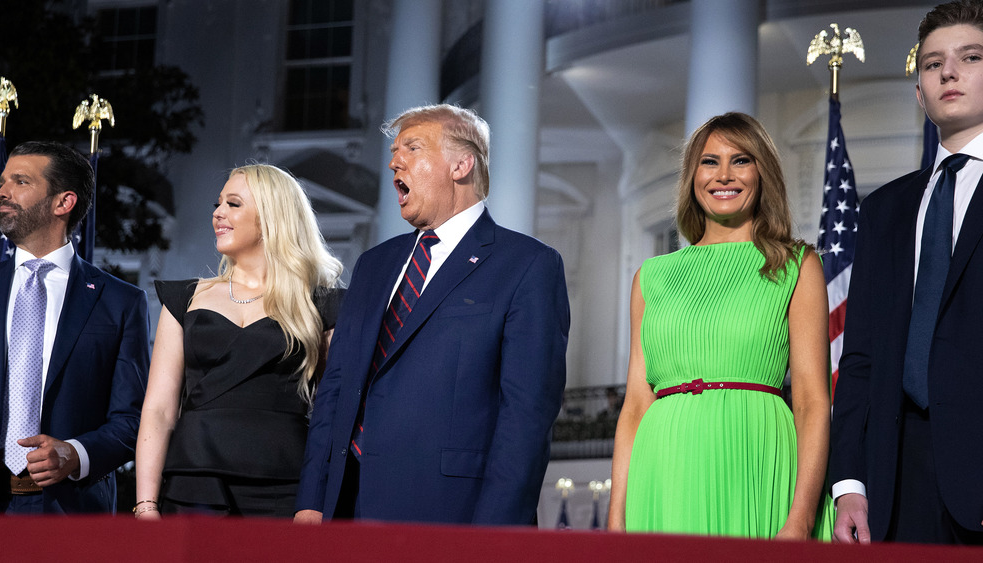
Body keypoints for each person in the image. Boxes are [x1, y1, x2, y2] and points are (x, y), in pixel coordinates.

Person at [293, 104, 569, 525]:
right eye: (393, 151)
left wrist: (495, 533)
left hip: (452, 513)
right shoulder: (373, 265)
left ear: (461, 164)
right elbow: (336, 388)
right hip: (347, 508)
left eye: (412, 147)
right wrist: (312, 498)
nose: (393, 161)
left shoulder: (528, 265)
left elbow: (527, 417)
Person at [607, 113, 832, 539]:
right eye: (709, 162)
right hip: (664, 473)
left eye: (741, 160)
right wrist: (617, 518)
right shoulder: (650, 277)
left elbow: (811, 401)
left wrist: (800, 519)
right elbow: (636, 404)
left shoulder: (796, 266)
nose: (724, 175)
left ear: (762, 172)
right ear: (692, 176)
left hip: (756, 463)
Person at [831, 0, 983, 544]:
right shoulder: (884, 211)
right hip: (896, 485)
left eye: (970, 56)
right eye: (932, 63)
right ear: (920, 92)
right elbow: (862, 358)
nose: (948, 71)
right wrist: (849, 482)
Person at [134, 164, 343, 518]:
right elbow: (159, 410)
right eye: (218, 204)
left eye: (233, 204)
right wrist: (145, 504)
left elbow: (332, 414)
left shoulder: (323, 304)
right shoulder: (182, 299)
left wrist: (314, 502)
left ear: (271, 217)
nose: (218, 213)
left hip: (285, 486)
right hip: (193, 480)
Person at [0, 141, 149, 513]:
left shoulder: (120, 302)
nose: (1, 192)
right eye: (3, 180)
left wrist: (76, 453)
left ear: (63, 202)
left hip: (71, 513)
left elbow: (133, 419)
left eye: (20, 182)